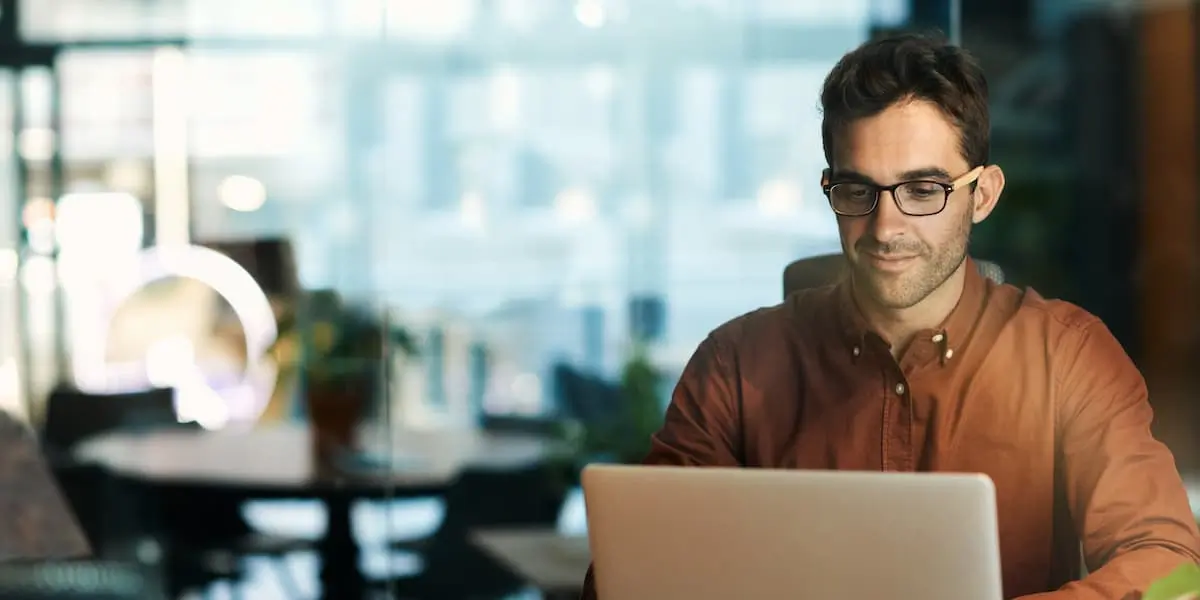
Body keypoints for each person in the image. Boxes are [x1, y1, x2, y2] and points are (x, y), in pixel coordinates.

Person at [579, 33, 1200, 599]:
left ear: (981, 195)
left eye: (923, 189)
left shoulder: (1066, 357)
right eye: (858, 191)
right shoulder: (736, 366)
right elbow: (632, 572)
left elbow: (1172, 564)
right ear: (831, 189)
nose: (885, 226)